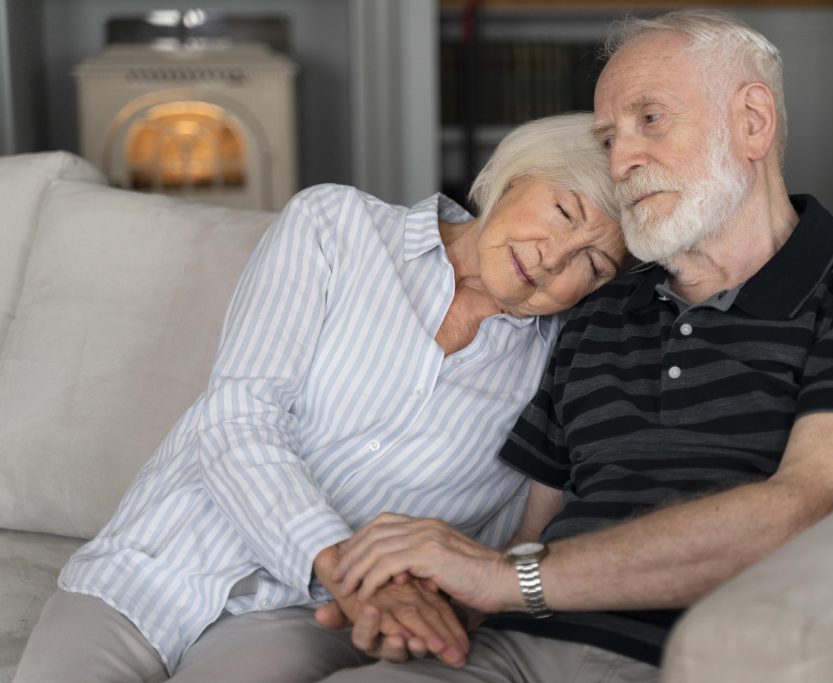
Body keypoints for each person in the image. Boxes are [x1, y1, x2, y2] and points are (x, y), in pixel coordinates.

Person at [314, 9, 833, 683]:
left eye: (649, 119)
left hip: (703, 656)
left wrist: (510, 579)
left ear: (752, 123)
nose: (620, 160)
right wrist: (424, 607)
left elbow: (807, 508)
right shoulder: (602, 311)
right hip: (513, 646)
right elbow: (533, 535)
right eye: (607, 136)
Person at [13, 112, 628, 683]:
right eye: (563, 212)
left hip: (309, 616)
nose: (555, 260)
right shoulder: (338, 226)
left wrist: (441, 607)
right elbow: (238, 417)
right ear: (515, 177)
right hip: (153, 563)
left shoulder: (569, 358)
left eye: (595, 263)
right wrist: (343, 566)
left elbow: (522, 532)